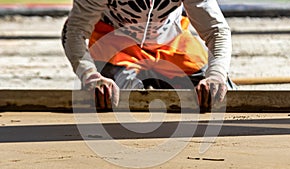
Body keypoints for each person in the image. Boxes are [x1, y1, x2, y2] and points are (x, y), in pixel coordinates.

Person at [62, 0, 233, 110]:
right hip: (113, 42)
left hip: (171, 43)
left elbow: (217, 31)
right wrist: (90, 76)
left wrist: (216, 76)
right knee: (109, 99)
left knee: (215, 95)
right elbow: (75, 31)